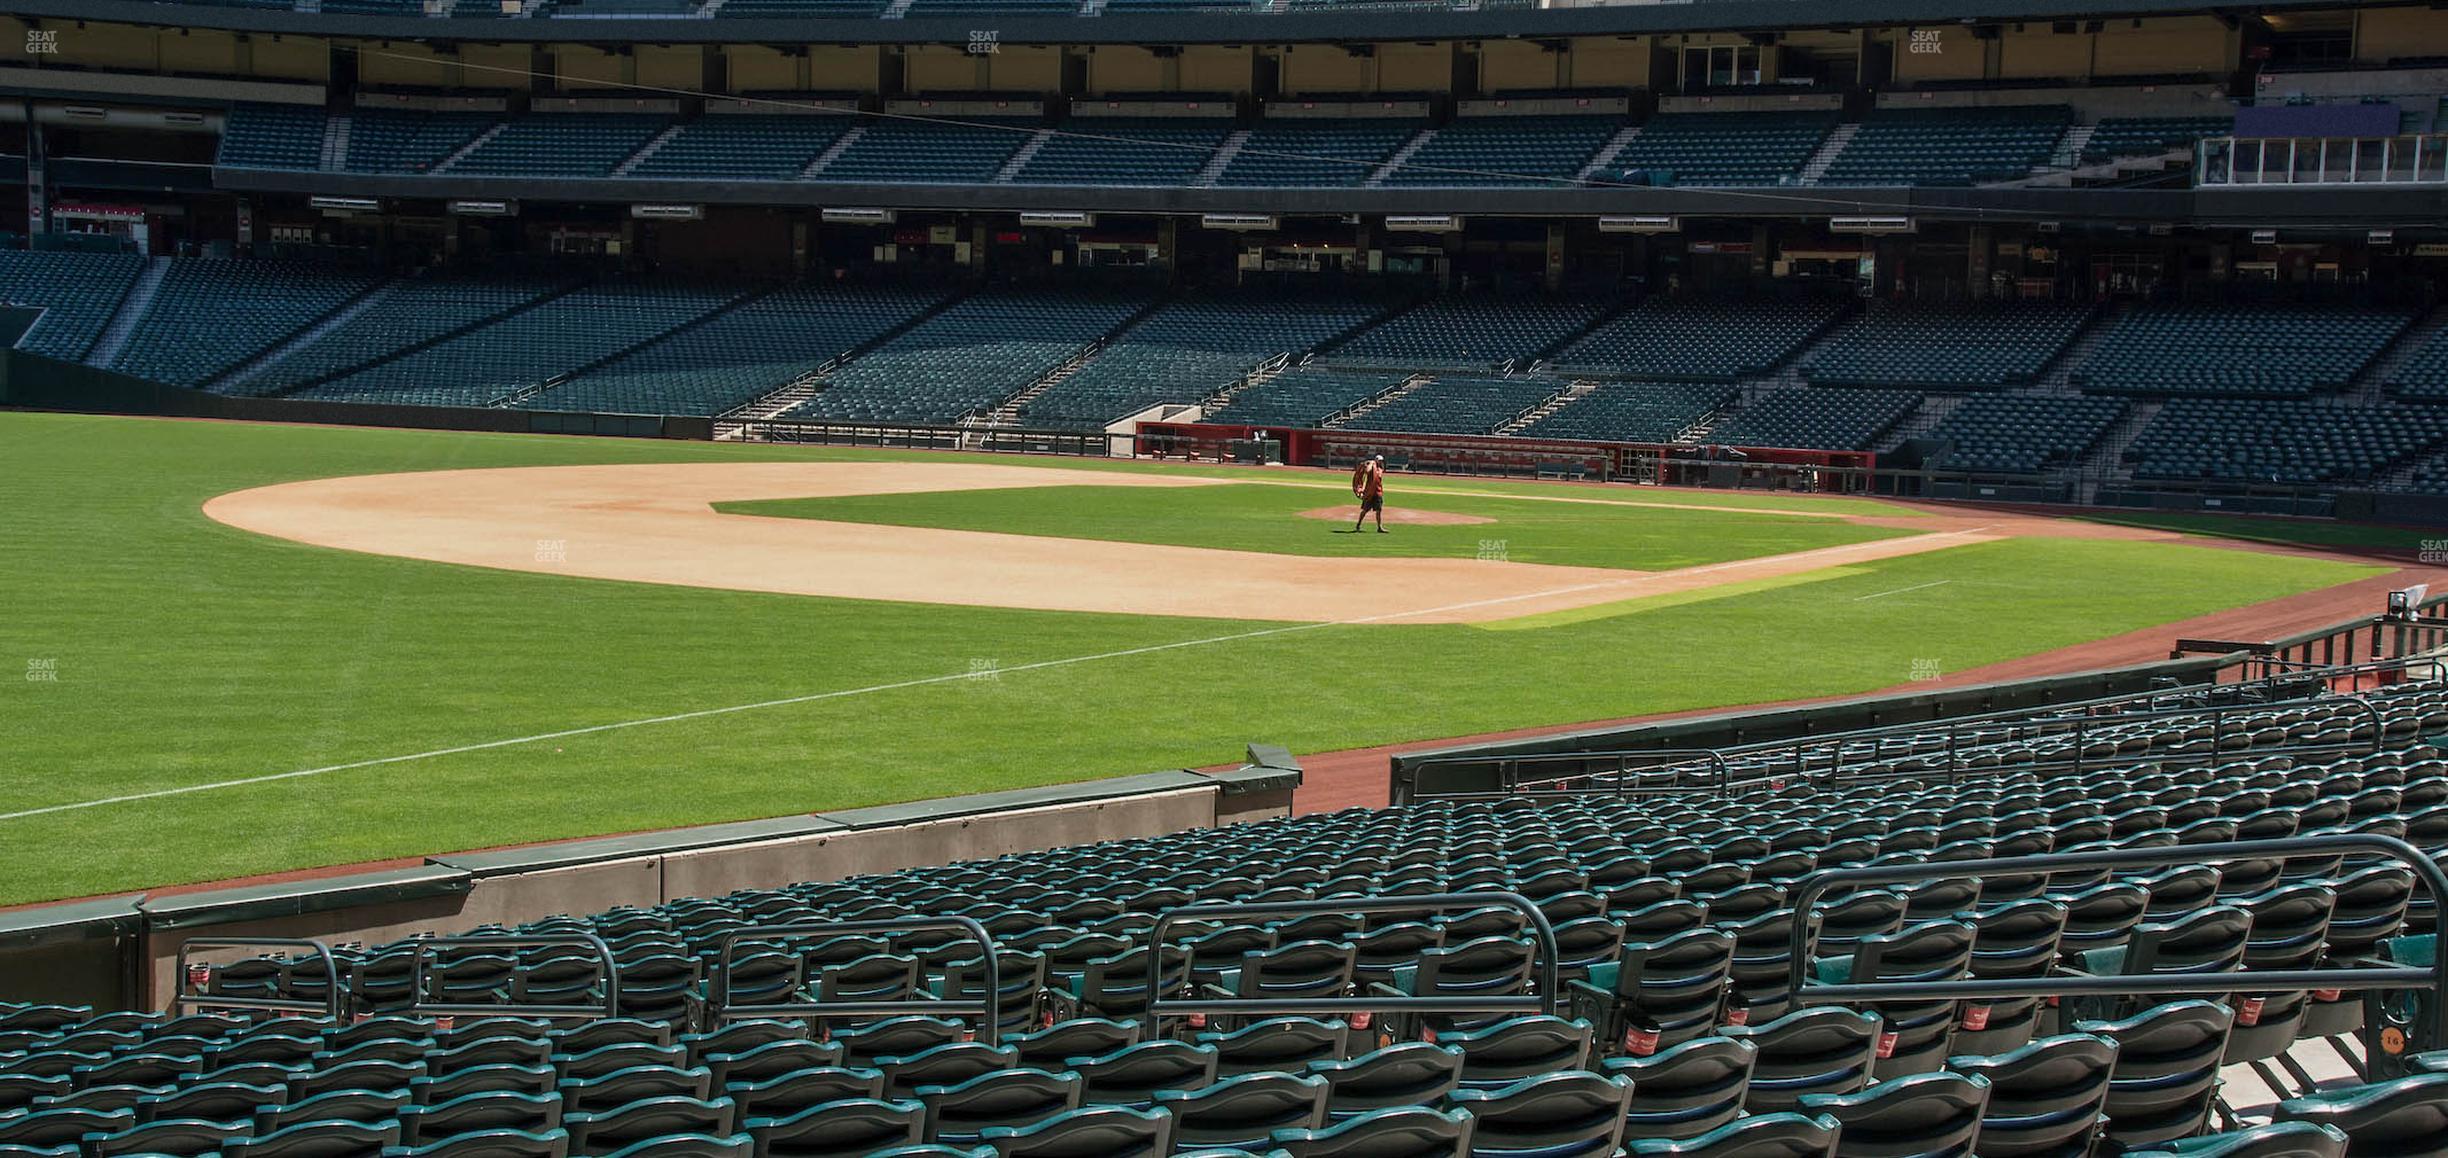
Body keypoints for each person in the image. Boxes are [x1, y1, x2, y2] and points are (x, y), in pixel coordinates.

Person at [1350, 454, 1389, 533]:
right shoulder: (1372, 467)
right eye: (1379, 461)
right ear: (1376, 460)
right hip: (1370, 492)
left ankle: (1379, 527)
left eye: (1381, 461)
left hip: (1378, 492)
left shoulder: (1380, 469)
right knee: (1365, 510)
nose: (1381, 462)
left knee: (1378, 510)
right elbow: (1367, 471)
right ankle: (1358, 525)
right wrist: (1371, 463)